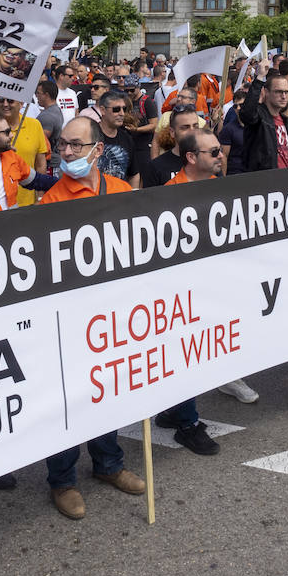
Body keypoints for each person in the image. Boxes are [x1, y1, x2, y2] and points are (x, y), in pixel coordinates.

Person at [37, 117, 146, 520]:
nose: (66, 152)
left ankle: (109, 465)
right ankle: (62, 481)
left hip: (112, 317)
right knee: (67, 401)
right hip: (68, 320)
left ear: (97, 151)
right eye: (62, 145)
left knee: (107, 392)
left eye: (75, 146)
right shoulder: (51, 201)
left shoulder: (120, 192)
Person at [151, 128, 229, 454]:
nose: (220, 155)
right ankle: (187, 424)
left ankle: (173, 411)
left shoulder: (218, 187)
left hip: (210, 286)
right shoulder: (169, 196)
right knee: (187, 356)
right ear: (192, 158)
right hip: (181, 294)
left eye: (219, 150)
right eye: (213, 152)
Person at [237, 64, 288, 172]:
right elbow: (247, 114)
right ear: (266, 92)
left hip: (287, 183)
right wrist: (260, 78)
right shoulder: (259, 117)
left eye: (286, 92)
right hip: (264, 181)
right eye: (278, 91)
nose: (283, 96)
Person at [0, 112, 56, 210]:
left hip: (14, 223)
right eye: (7, 132)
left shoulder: (12, 158)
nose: (11, 135)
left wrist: (67, 183)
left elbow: (37, 180)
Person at [0, 95, 50, 206]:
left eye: (10, 100)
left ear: (21, 103)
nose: (6, 104)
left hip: (29, 204)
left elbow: (41, 164)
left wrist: (41, 197)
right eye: (2, 100)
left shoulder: (35, 125)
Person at [141, 105, 199, 187]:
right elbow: (150, 199)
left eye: (195, 126)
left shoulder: (209, 160)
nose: (192, 131)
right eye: (185, 127)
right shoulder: (155, 167)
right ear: (172, 132)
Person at [93, 89, 139, 186]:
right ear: (103, 110)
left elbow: (134, 174)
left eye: (124, 109)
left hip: (121, 197)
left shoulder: (127, 138)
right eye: (116, 109)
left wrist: (133, 196)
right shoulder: (89, 135)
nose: (122, 113)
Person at [35, 80, 63, 174]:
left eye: (38, 93)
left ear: (46, 95)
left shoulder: (47, 116)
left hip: (49, 166)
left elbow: (41, 143)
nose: (36, 96)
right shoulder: (56, 110)